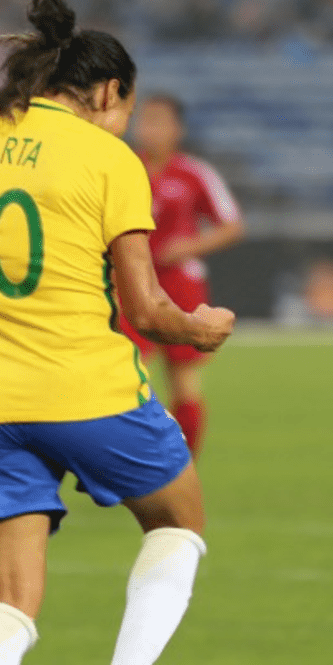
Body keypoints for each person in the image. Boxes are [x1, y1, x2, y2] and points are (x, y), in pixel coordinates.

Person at [0, 0, 235, 665]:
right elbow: (145, 312)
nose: (124, 129)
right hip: (86, 388)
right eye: (123, 113)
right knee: (179, 522)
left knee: (7, 603)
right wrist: (199, 328)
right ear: (105, 94)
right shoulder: (109, 162)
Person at [123, 93, 245, 458]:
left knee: (184, 382)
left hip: (180, 284)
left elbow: (232, 225)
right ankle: (139, 462)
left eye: (159, 121)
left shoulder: (193, 173)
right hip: (132, 282)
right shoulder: (125, 167)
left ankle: (184, 464)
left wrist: (188, 246)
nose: (149, 129)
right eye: (145, 120)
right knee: (129, 379)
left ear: (178, 129)